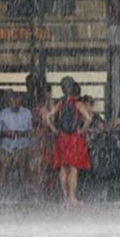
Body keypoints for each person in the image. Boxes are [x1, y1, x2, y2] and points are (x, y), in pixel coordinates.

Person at [46, 77, 92, 206]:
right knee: (73, 168)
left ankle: (65, 198)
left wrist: (55, 130)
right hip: (73, 138)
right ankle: (72, 197)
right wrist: (82, 130)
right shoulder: (77, 103)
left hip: (61, 137)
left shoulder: (60, 103)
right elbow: (88, 118)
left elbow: (48, 117)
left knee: (63, 167)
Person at [0, 91, 33, 199]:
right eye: (12, 101)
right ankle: (2, 193)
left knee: (22, 168)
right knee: (4, 168)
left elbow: (31, 131)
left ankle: (23, 193)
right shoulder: (3, 113)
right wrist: (6, 134)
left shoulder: (27, 113)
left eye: (16, 101)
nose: (14, 103)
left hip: (22, 144)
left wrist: (20, 133)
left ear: (20, 101)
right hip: (6, 145)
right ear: (8, 102)